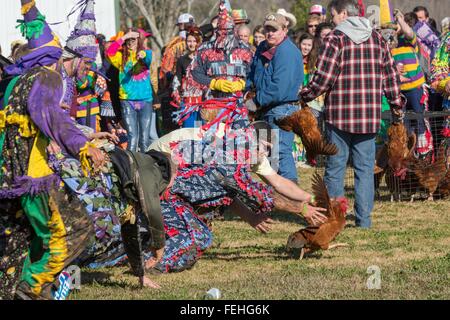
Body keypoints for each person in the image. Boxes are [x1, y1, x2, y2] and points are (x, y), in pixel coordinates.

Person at [0, 0, 104, 299]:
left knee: (16, 246)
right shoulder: (46, 77)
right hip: (33, 181)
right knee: (75, 231)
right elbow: (54, 117)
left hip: (7, 183)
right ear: (53, 54)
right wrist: (84, 146)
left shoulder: (12, 83)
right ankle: (32, 286)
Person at [300, 0, 405, 229]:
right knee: (365, 170)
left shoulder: (335, 39)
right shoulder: (377, 39)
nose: (332, 20)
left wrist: (306, 95)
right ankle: (364, 221)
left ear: (344, 14)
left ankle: (335, 218)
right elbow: (390, 77)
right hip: (368, 116)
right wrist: (397, 105)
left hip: (339, 115)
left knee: (336, 168)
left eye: (334, 16)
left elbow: (324, 78)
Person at [249, 13, 303, 183]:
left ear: (284, 30)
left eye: (274, 29)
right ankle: (277, 197)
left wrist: (255, 101)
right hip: (266, 108)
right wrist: (244, 91)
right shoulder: (263, 48)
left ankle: (292, 197)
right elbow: (252, 74)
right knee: (269, 156)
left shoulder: (287, 51)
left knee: (280, 152)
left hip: (283, 108)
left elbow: (279, 88)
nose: (270, 33)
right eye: (267, 29)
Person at [106, 29, 157, 152]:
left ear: (139, 40)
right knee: (132, 138)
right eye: (128, 39)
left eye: (133, 39)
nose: (130, 42)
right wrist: (124, 37)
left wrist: (142, 55)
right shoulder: (120, 57)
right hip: (127, 101)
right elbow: (109, 51)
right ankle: (132, 168)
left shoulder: (146, 53)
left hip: (145, 100)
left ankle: (146, 168)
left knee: (144, 139)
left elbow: (148, 58)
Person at [391, 10, 433, 157]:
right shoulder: (389, 46)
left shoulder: (410, 41)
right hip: (399, 91)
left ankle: (424, 156)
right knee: (404, 126)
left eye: (396, 27)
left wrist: (400, 20)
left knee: (420, 122)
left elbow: (409, 32)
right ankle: (408, 156)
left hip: (416, 88)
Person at [171, 27, 203, 128]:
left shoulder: (203, 59)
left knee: (199, 131)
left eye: (194, 41)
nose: (191, 44)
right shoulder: (181, 60)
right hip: (187, 103)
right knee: (187, 131)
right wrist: (177, 97)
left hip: (201, 103)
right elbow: (177, 80)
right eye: (189, 41)